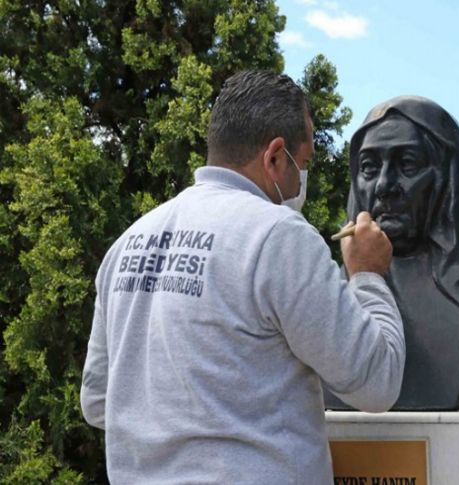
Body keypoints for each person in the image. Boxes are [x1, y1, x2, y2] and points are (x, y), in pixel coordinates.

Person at [80, 70, 405, 484]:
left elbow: (97, 401)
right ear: (274, 157)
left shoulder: (127, 244)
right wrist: (367, 275)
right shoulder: (278, 236)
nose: (302, 179)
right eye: (302, 164)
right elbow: (376, 382)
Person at [324, 96, 459, 410]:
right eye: (368, 168)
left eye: (407, 165)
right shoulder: (329, 295)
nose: (384, 186)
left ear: (447, 178)